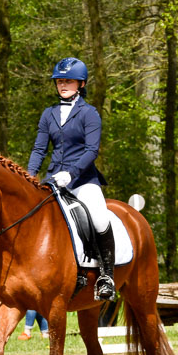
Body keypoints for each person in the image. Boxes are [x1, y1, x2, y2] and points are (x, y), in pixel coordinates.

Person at [27, 57, 115, 300]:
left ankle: (106, 276)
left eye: (69, 81)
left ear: (81, 83)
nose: (63, 85)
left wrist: (72, 173)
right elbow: (39, 149)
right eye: (60, 81)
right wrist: (29, 175)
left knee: (98, 219)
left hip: (83, 180)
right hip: (53, 180)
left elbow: (91, 151)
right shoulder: (49, 114)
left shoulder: (90, 114)